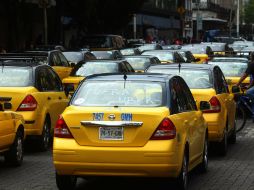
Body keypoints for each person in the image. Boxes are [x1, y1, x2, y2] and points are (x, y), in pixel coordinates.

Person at [235, 52, 254, 120]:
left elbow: (244, 75)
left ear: (252, 57)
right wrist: (249, 86)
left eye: (250, 56)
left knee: (248, 93)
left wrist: (237, 84)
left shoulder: (252, 64)